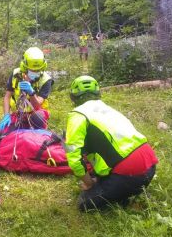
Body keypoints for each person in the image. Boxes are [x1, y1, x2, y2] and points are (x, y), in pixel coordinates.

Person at [65, 76, 158, 211]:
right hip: (150, 167)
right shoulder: (107, 109)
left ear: (73, 97)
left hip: (129, 173)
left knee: (84, 204)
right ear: (98, 93)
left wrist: (89, 184)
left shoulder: (77, 116)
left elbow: (74, 160)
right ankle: (132, 189)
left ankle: (124, 195)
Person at [0, 47, 54, 133]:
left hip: (36, 113)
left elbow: (37, 106)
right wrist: (6, 115)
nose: (35, 72)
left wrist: (31, 93)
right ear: (24, 66)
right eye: (32, 70)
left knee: (38, 119)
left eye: (37, 70)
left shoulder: (46, 80)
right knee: (5, 132)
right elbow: (7, 96)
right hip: (18, 113)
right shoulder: (16, 74)